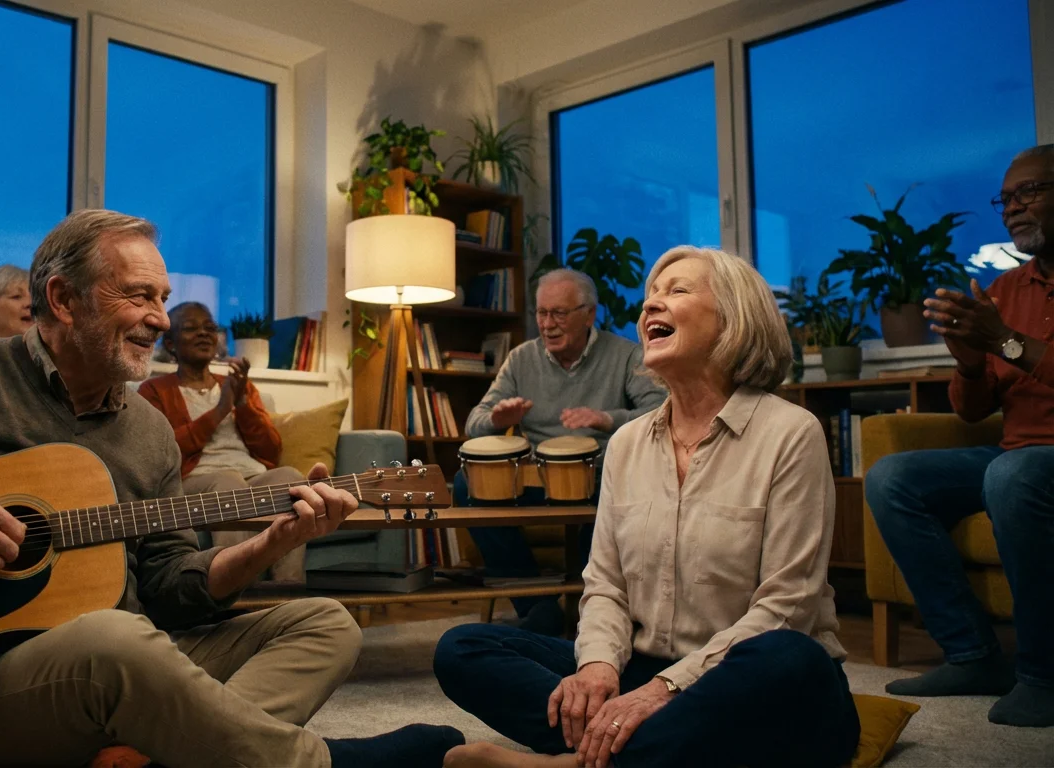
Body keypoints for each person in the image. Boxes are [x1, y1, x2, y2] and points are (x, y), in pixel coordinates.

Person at [0, 209, 463, 767]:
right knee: (114, 637)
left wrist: (270, 544)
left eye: (164, 298)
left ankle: (168, 753)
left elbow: (170, 586)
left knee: (324, 623)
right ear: (64, 300)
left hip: (112, 667)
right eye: (139, 296)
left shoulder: (145, 433)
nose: (161, 320)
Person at [434, 246, 858, 768]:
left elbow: (786, 608)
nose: (651, 306)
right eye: (649, 297)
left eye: (676, 291)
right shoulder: (629, 443)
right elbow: (606, 585)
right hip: (642, 667)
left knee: (788, 657)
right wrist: (596, 669)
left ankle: (581, 759)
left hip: (744, 677)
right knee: (461, 648)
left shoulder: (791, 433)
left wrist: (663, 690)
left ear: (733, 318)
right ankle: (639, 746)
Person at [866, 144, 1054, 728]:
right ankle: (972, 653)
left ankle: (1044, 675)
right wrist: (970, 362)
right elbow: (973, 413)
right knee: (892, 478)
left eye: (1029, 192)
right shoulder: (1005, 291)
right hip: (1015, 454)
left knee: (1011, 474)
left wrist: (1006, 343)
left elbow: (1016, 350)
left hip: (1025, 466)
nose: (1012, 208)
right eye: (1006, 198)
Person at [458, 269, 665, 635]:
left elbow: (661, 412)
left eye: (559, 314)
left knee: (614, 489)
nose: (548, 325)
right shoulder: (521, 359)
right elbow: (473, 423)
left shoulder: (626, 355)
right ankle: (537, 607)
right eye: (541, 313)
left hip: (599, 473)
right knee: (465, 485)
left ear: (589, 314)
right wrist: (496, 417)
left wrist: (606, 418)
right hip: (534, 476)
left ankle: (595, 610)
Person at [139, 301, 307, 581]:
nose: (204, 334)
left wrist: (240, 401)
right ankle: (233, 591)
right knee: (227, 481)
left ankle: (289, 591)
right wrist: (219, 411)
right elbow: (165, 454)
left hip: (249, 477)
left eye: (210, 328)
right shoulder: (154, 391)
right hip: (195, 482)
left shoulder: (238, 385)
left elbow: (271, 451)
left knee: (291, 479)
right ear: (170, 343)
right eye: (191, 329)